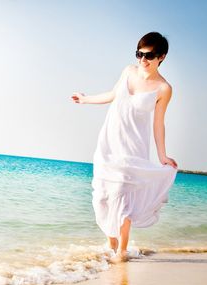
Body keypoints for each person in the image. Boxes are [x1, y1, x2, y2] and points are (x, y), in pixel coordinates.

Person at [71, 31, 178, 263]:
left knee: (122, 195)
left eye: (149, 56)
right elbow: (112, 95)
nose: (143, 60)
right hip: (108, 143)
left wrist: (162, 155)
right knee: (102, 197)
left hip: (132, 149)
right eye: (139, 54)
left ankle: (122, 251)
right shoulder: (128, 71)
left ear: (162, 57)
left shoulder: (163, 88)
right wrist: (85, 99)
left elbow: (159, 123)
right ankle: (112, 245)